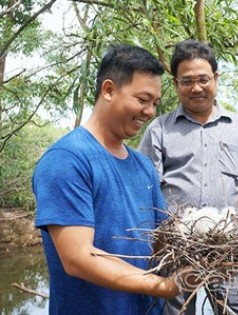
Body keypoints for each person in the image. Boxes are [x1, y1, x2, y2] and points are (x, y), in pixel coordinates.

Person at [33, 44, 197, 315]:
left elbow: (160, 239)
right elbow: (78, 258)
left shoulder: (143, 166)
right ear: (108, 90)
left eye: (155, 103)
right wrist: (166, 286)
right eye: (142, 100)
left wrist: (205, 249)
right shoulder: (67, 159)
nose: (150, 112)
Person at [138, 39, 238, 314]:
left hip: (229, 245)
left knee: (237, 310)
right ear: (175, 84)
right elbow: (146, 193)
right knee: (174, 311)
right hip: (175, 247)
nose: (196, 88)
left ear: (216, 79)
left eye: (203, 79)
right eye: (187, 81)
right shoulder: (159, 130)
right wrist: (156, 246)